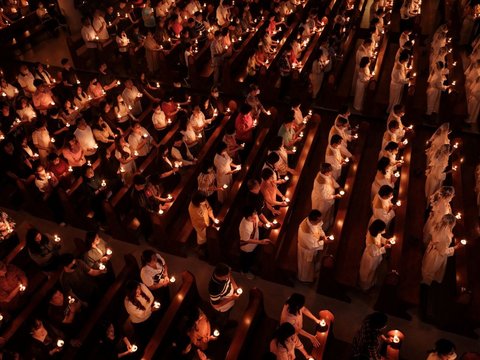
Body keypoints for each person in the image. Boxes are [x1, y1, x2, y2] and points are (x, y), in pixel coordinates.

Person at [422, 214, 461, 285]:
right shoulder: (445, 236)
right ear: (451, 224)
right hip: (436, 256)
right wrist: (454, 248)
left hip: (431, 251)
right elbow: (443, 251)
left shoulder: (437, 227)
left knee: (426, 269)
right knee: (429, 272)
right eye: (454, 223)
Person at [239, 206, 271, 279]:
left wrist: (263, 225)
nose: (256, 215)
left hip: (254, 242)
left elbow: (258, 221)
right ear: (249, 217)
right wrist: (260, 242)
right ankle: (245, 271)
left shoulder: (254, 215)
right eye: (254, 214)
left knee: (252, 257)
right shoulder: (245, 227)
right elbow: (246, 240)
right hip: (247, 247)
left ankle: (250, 266)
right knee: (246, 259)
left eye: (255, 213)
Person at [359, 219, 392, 291]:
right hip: (370, 258)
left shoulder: (376, 232)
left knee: (373, 271)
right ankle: (365, 287)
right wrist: (384, 248)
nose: (382, 231)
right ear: (377, 229)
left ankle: (371, 283)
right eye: (382, 229)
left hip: (376, 256)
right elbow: (373, 253)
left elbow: (380, 237)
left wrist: (387, 240)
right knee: (368, 272)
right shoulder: (370, 239)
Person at [297, 210, 328, 283]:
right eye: (319, 219)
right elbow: (312, 245)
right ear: (314, 220)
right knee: (306, 267)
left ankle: (312, 274)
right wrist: (324, 242)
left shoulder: (313, 221)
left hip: (312, 247)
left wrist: (323, 236)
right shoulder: (305, 231)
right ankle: (304, 279)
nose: (321, 220)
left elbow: (319, 227)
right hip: (306, 251)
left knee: (312, 264)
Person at [208, 263, 240, 329]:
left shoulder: (222, 270)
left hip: (230, 302)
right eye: (227, 275)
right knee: (222, 319)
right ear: (222, 276)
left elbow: (230, 277)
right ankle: (223, 326)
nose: (229, 274)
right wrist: (232, 297)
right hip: (223, 308)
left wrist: (235, 288)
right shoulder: (214, 288)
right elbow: (216, 305)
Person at [311, 163, 341, 230]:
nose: (331, 173)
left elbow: (331, 179)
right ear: (326, 172)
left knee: (329, 212)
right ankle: (323, 228)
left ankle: (329, 222)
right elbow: (324, 196)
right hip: (322, 201)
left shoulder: (323, 173)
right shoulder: (321, 183)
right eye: (330, 171)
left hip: (328, 197)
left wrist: (338, 186)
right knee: (323, 214)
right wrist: (334, 196)